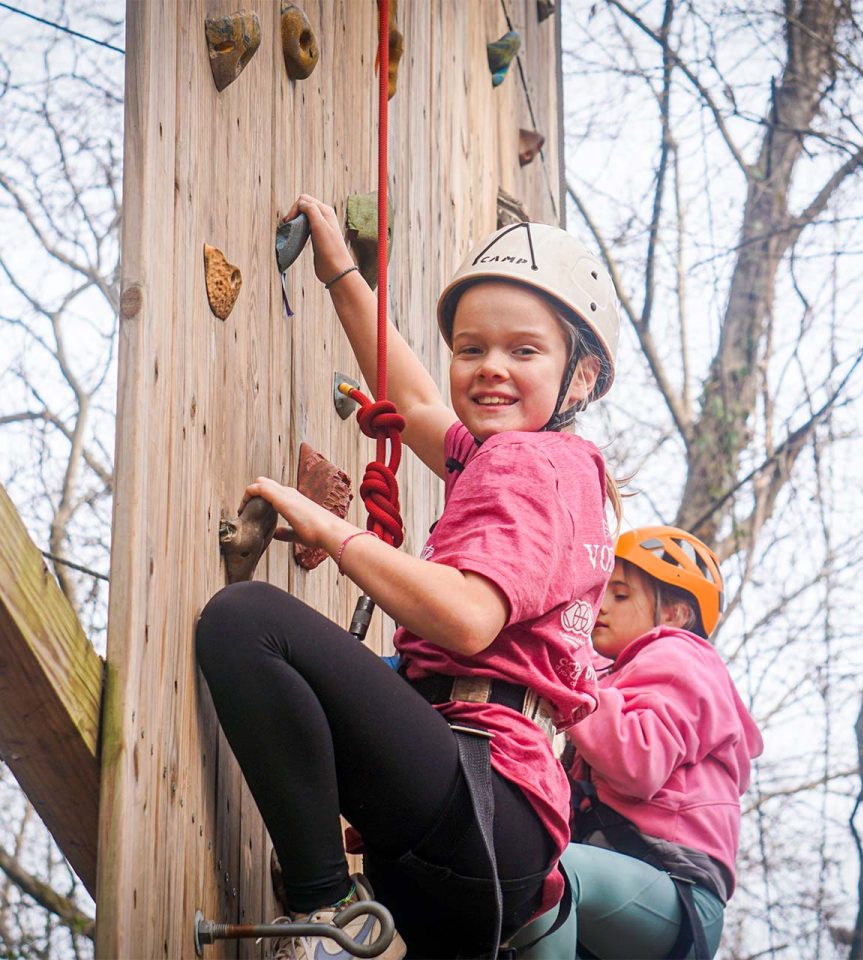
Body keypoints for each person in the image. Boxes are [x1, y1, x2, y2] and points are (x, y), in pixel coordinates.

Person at [195, 203, 621, 960]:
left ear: (579, 377)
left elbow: (466, 619)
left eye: (524, 350)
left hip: (476, 789)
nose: (491, 366)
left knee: (246, 623)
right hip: (485, 845)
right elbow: (419, 404)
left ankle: (326, 907)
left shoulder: (530, 464)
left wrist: (335, 530)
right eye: (471, 347)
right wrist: (342, 276)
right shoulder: (544, 463)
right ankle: (340, 912)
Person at [515, 526, 763, 960]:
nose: (601, 607)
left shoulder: (682, 656)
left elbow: (636, 761)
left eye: (622, 595)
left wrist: (566, 675)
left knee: (542, 874)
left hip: (675, 890)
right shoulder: (621, 676)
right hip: (624, 883)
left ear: (675, 616)